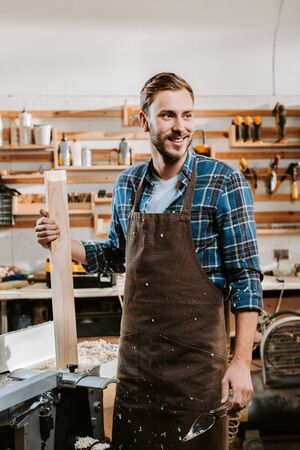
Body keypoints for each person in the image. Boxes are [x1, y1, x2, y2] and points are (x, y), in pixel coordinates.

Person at [35, 72, 263, 450]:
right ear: (144, 121)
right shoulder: (128, 184)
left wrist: (240, 362)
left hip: (197, 375)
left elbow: (246, 277)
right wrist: (63, 243)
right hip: (138, 373)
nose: (180, 127)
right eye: (168, 116)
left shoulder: (223, 181)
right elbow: (114, 256)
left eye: (187, 116)